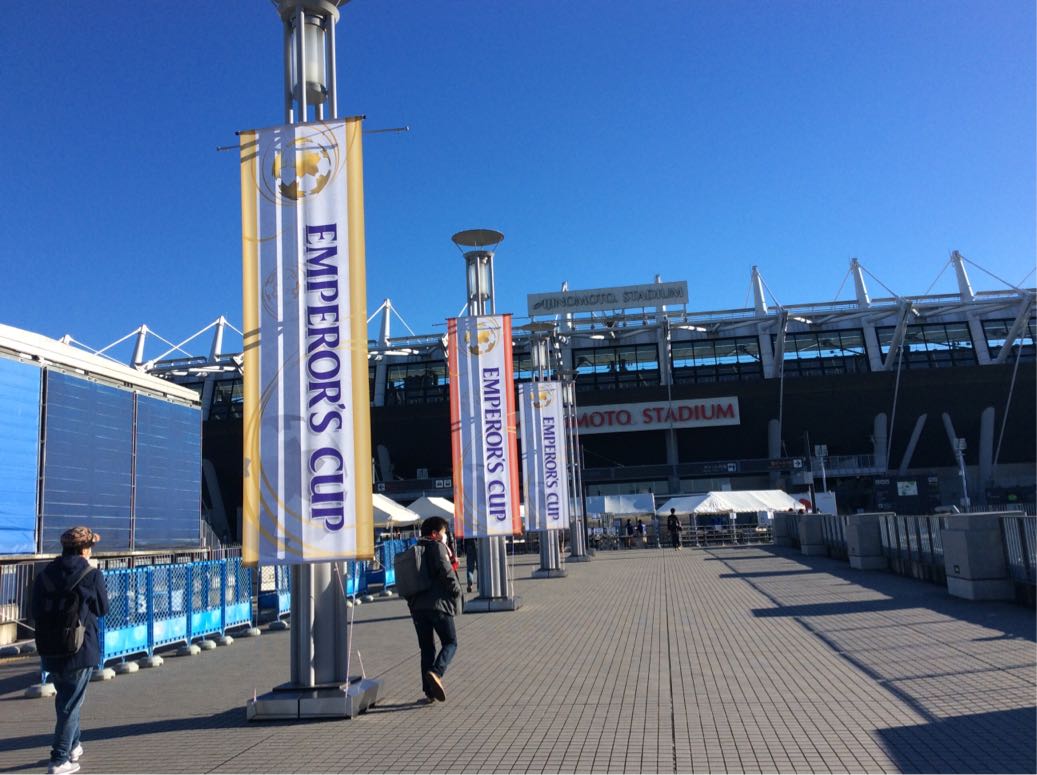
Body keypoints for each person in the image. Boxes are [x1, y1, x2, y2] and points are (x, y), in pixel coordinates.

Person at [32, 527, 109, 775]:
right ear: (84, 549)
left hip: (49, 646)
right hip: (79, 647)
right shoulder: (91, 574)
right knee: (70, 704)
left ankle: (74, 745)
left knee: (66, 698)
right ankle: (59, 758)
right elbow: (102, 609)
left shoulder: (45, 574)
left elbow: (35, 610)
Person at [407, 517, 462, 704]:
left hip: (417, 608)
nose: (445, 536)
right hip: (438, 605)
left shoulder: (415, 549)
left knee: (427, 649)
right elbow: (446, 572)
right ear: (434, 533)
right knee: (450, 642)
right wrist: (457, 591)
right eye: (444, 532)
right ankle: (436, 673)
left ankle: (429, 692)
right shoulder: (437, 547)